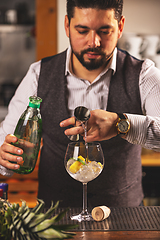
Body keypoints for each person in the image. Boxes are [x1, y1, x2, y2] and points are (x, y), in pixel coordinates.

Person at [0, 0, 160, 208]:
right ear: (67, 25)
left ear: (120, 27)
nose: (93, 42)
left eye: (104, 31)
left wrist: (122, 124)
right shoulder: (37, 75)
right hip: (53, 220)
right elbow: (6, 145)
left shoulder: (144, 75)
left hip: (124, 218)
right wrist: (6, 158)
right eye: (82, 30)